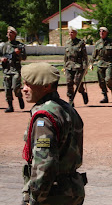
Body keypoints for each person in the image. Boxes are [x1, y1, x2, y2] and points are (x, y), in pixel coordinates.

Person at [21, 62, 86, 205]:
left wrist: (35, 198)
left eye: (29, 84)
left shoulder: (44, 117)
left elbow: (45, 164)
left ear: (46, 87)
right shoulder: (67, 108)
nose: (24, 89)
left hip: (53, 195)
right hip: (73, 190)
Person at [0, 26, 26, 112]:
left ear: (15, 34)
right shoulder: (3, 45)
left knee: (15, 87)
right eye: (8, 32)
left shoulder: (19, 45)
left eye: (10, 32)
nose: (8, 34)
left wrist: (18, 54)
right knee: (7, 89)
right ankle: (10, 106)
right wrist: (1, 59)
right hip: (6, 70)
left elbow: (24, 57)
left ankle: (19, 97)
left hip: (15, 70)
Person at [64, 26, 88, 106]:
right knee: (69, 82)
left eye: (72, 32)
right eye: (70, 32)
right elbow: (65, 56)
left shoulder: (80, 43)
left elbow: (84, 56)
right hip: (69, 65)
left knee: (77, 82)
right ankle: (71, 99)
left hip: (78, 66)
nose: (71, 34)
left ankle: (83, 93)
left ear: (76, 33)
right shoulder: (67, 43)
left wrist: (85, 67)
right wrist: (64, 66)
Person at [92, 26, 112, 103]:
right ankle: (105, 96)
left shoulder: (111, 42)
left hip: (109, 63)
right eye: (100, 31)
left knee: (108, 79)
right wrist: (91, 63)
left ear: (106, 33)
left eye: (103, 31)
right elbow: (94, 54)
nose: (101, 33)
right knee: (101, 81)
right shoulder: (98, 43)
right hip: (100, 63)